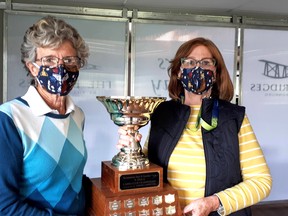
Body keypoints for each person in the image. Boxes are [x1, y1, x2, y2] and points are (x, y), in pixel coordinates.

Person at [118, 37, 272, 216]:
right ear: (178, 71)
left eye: (206, 62)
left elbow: (261, 181)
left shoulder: (233, 117)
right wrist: (131, 149)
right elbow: (147, 170)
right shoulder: (162, 113)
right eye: (189, 62)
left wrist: (214, 203)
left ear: (215, 72)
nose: (198, 68)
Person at [0, 16, 90, 215]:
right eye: (49, 60)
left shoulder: (77, 115)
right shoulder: (9, 119)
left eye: (69, 60)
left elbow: (72, 178)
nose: (60, 68)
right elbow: (4, 206)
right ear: (32, 67)